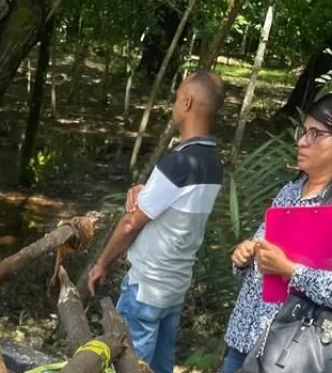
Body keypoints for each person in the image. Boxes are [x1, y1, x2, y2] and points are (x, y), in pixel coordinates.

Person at [86, 71, 226, 373]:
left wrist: (102, 263)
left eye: (177, 97)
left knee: (127, 366)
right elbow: (174, 211)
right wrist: (144, 192)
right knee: (160, 367)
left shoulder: (179, 163)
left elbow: (129, 224)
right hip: (174, 289)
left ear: (187, 102)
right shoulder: (213, 163)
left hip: (146, 289)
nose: (174, 104)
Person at [220, 95, 332, 373]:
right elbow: (262, 250)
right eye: (303, 132)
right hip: (243, 338)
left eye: (316, 134)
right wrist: (245, 255)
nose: (302, 141)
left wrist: (291, 271)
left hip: (287, 353)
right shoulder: (290, 190)